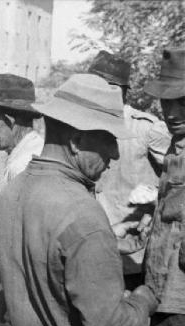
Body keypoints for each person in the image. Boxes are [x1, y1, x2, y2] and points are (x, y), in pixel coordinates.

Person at [0, 74, 158, 326]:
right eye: (109, 140)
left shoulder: (11, 192)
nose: (114, 155)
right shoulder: (83, 214)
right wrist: (142, 302)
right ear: (76, 141)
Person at [89, 50, 171, 285]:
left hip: (133, 254)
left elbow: (178, 175)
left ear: (118, 91)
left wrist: (154, 198)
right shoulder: (82, 127)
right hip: (92, 249)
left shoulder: (147, 129)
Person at [141, 47, 185, 326]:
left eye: (182, 102)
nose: (171, 112)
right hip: (163, 290)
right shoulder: (176, 147)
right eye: (166, 102)